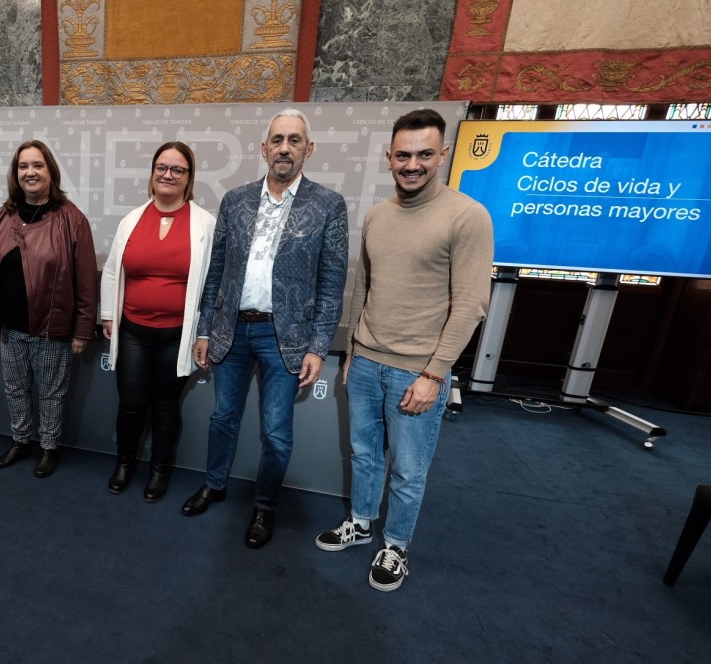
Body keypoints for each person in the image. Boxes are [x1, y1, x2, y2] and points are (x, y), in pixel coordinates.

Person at [314, 109, 493, 591]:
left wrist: (434, 374)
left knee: (409, 470)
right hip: (367, 362)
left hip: (418, 371)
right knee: (365, 455)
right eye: (403, 155)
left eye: (424, 154)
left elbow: (471, 304)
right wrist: (352, 349)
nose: (412, 164)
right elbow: (364, 287)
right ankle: (362, 524)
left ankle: (396, 546)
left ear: (443, 155)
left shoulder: (468, 216)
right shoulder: (377, 215)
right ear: (389, 157)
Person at [181, 109, 348, 550]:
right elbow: (215, 273)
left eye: (294, 140)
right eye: (277, 140)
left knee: (276, 430)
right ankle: (215, 485)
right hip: (231, 330)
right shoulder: (235, 201)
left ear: (308, 150)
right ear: (263, 148)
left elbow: (332, 285)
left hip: (285, 336)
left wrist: (318, 345)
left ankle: (264, 506)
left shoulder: (328, 205)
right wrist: (203, 328)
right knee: (222, 418)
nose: (284, 148)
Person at [99, 142, 216, 502]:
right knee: (131, 402)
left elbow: (213, 281)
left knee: (166, 405)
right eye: (161, 167)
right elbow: (113, 270)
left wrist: (205, 331)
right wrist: (108, 314)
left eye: (177, 169)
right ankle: (124, 463)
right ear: (152, 173)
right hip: (133, 330)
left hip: (177, 336)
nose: (168, 175)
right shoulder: (132, 219)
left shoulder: (205, 223)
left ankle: (160, 469)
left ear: (188, 178)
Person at [0, 140, 97, 478]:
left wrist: (82, 328)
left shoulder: (72, 219)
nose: (30, 172)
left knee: (51, 393)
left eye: (37, 165)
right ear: (16, 174)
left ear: (50, 172)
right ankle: (20, 440)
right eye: (23, 166)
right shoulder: (2, 216)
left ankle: (48, 447)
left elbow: (86, 280)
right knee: (14, 389)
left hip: (52, 328)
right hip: (10, 327)